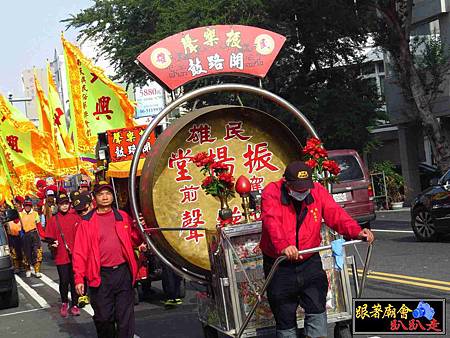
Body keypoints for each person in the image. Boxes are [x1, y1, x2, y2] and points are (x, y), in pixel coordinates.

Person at [260, 161, 375, 338]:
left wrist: (357, 231)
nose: (302, 192)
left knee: (316, 306)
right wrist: (283, 245)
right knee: (284, 314)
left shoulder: (317, 190)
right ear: (286, 183)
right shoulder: (272, 192)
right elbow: (271, 221)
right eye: (297, 189)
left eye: (305, 188)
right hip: (280, 263)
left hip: (309, 259)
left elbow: (335, 213)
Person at [73, 181, 144, 338]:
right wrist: (79, 278)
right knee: (104, 318)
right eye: (100, 194)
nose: (105, 197)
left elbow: (134, 241)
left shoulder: (122, 217)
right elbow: (79, 252)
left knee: (125, 318)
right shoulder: (86, 222)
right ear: (95, 198)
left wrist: (140, 229)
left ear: (113, 196)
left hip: (123, 272)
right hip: (100, 276)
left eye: (108, 194)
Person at [45, 192, 81, 317]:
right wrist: (52, 244)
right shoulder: (53, 220)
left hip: (75, 255)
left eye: (66, 203)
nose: (65, 206)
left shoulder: (76, 217)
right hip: (61, 255)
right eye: (62, 204)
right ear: (58, 205)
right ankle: (65, 302)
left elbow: (82, 235)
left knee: (74, 280)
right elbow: (48, 237)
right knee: (64, 281)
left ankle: (75, 304)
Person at [20, 197, 44, 278]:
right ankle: (28, 270)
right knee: (26, 253)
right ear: (24, 206)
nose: (27, 207)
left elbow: (39, 226)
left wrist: (43, 236)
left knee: (37, 252)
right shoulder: (20, 214)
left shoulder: (35, 213)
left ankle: (37, 270)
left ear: (31, 206)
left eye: (29, 205)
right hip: (25, 235)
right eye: (26, 205)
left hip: (34, 235)